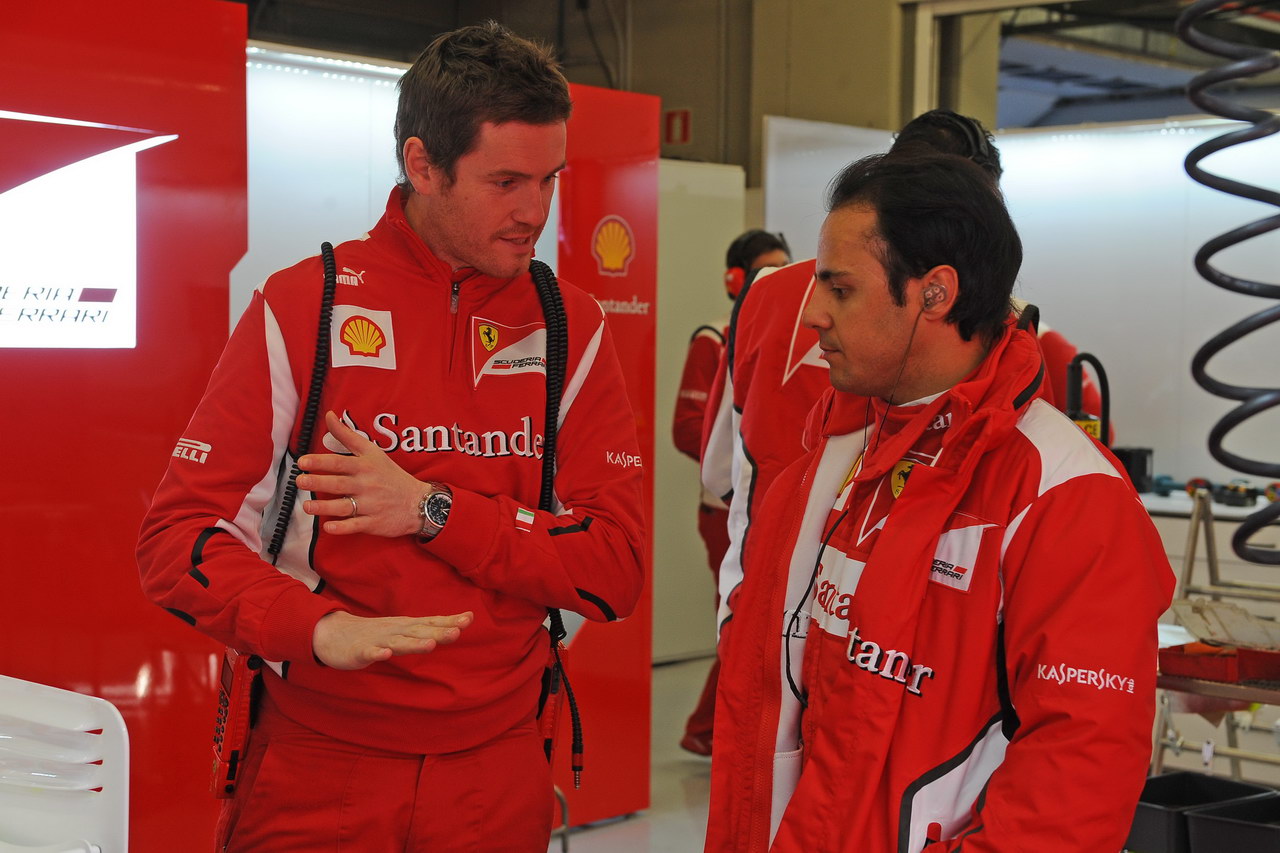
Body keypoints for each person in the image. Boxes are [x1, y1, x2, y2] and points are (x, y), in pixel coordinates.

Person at [137, 22, 645, 851]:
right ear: (422, 164)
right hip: (317, 758)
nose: (536, 212)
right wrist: (311, 627)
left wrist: (434, 510)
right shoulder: (306, 305)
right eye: (507, 180)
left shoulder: (568, 328)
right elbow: (177, 539)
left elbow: (614, 568)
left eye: (550, 179)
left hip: (498, 762)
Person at [704, 151, 1172, 851]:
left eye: (840, 288)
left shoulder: (1066, 495)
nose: (812, 314)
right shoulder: (836, 455)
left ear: (935, 293)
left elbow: (1074, 784)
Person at [699, 110, 1005, 652]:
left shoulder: (765, 295)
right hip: (891, 636)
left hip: (758, 609)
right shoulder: (981, 325)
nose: (821, 316)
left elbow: (719, 472)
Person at [672, 229, 790, 756]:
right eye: (766, 271)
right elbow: (686, 427)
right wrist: (747, 465)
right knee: (741, 621)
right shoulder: (714, 339)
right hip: (725, 512)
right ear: (735, 281)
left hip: (774, 508)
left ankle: (709, 731)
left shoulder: (792, 335)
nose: (777, 282)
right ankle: (710, 731)